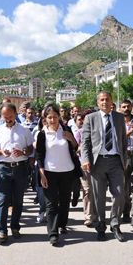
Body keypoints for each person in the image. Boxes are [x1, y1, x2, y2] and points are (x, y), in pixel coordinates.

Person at [81, 91, 128, 242]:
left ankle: (115, 224)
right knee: (99, 197)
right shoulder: (90, 118)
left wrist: (124, 160)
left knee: (119, 194)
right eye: (102, 100)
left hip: (116, 161)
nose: (105, 102)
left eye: (107, 99)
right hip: (97, 162)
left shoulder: (119, 117)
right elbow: (85, 142)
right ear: (98, 102)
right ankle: (101, 226)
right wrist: (86, 159)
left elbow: (123, 140)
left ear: (112, 101)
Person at [0, 103, 35, 243]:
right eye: (5, 116)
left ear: (15, 114)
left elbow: (30, 149)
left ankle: (15, 226)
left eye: (10, 116)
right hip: (4, 168)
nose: (7, 119)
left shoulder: (24, 130)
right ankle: (2, 231)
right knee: (3, 199)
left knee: (18, 200)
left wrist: (23, 152)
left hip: (20, 167)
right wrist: (1, 152)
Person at [35, 103, 79, 246]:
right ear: (45, 119)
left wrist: (71, 139)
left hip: (67, 171)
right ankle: (53, 233)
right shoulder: (42, 134)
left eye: (55, 117)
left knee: (65, 201)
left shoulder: (66, 129)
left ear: (59, 117)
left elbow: (76, 147)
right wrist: (42, 174)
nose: (52, 120)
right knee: (51, 204)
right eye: (49, 117)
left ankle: (62, 224)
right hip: (49, 172)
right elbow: (39, 155)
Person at [74, 112, 95, 227]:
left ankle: (96, 214)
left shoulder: (98, 133)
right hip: (84, 165)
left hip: (97, 165)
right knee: (87, 190)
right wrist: (80, 147)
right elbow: (74, 149)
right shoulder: (79, 133)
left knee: (96, 191)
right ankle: (88, 216)